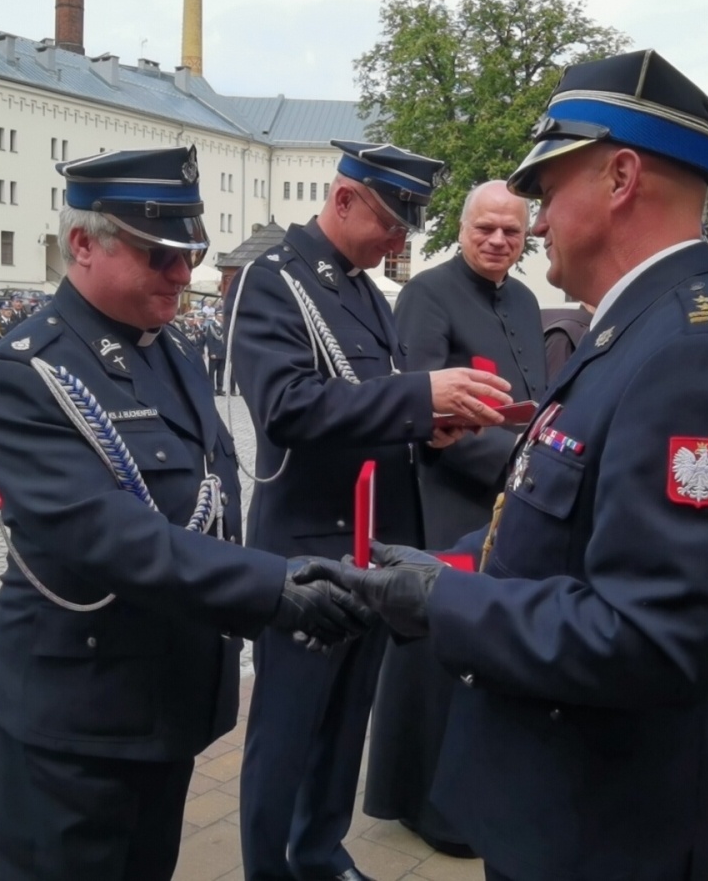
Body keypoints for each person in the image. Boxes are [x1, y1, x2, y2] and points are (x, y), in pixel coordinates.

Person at [302, 50, 708, 880]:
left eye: (547, 190)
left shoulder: (695, 355)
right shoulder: (637, 328)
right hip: (557, 799)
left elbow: (653, 636)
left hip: (600, 824)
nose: (534, 225)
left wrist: (445, 601)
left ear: (621, 178)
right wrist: (444, 567)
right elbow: (555, 526)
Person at [0, 147, 371, 880]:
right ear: (82, 243)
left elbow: (208, 502)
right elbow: (111, 536)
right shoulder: (29, 372)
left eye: (192, 254)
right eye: (160, 255)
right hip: (75, 719)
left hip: (161, 705)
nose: (183, 274)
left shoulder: (169, 348)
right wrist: (274, 587)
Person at [226, 139, 510, 881]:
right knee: (288, 728)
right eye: (390, 222)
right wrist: (419, 395)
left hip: (370, 542)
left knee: (346, 719)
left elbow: (366, 406)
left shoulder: (362, 289)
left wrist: (430, 426)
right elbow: (286, 407)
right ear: (344, 198)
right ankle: (269, 868)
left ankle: (319, 850)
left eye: (405, 228)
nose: (397, 241)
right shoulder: (273, 280)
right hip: (308, 547)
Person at [371, 179, 546, 857]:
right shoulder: (428, 293)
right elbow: (419, 409)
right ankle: (426, 804)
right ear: (464, 228)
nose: (498, 240)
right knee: (438, 657)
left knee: (491, 652)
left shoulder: (524, 299)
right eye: (485, 228)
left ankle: (482, 795)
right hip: (447, 497)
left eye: (512, 230)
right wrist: (520, 466)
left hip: (511, 497)